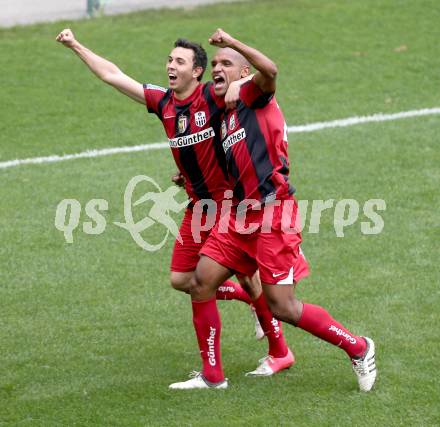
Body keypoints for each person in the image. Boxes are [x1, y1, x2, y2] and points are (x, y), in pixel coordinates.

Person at [55, 29, 293, 374]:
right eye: (169, 59)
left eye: (179, 61)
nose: (170, 65)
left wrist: (240, 84)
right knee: (182, 280)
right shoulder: (163, 102)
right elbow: (113, 75)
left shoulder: (213, 95)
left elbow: (250, 87)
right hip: (198, 206)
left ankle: (278, 350)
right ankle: (255, 311)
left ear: (196, 71)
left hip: (229, 203)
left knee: (241, 276)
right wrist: (76, 45)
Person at [169, 29, 377, 392]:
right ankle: (213, 376)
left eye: (226, 64)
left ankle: (358, 347)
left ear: (244, 73)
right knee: (200, 283)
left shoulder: (255, 96)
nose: (217, 67)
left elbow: (272, 70)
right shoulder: (228, 115)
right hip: (238, 217)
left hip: (272, 215)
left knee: (283, 307)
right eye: (214, 64)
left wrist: (232, 43)